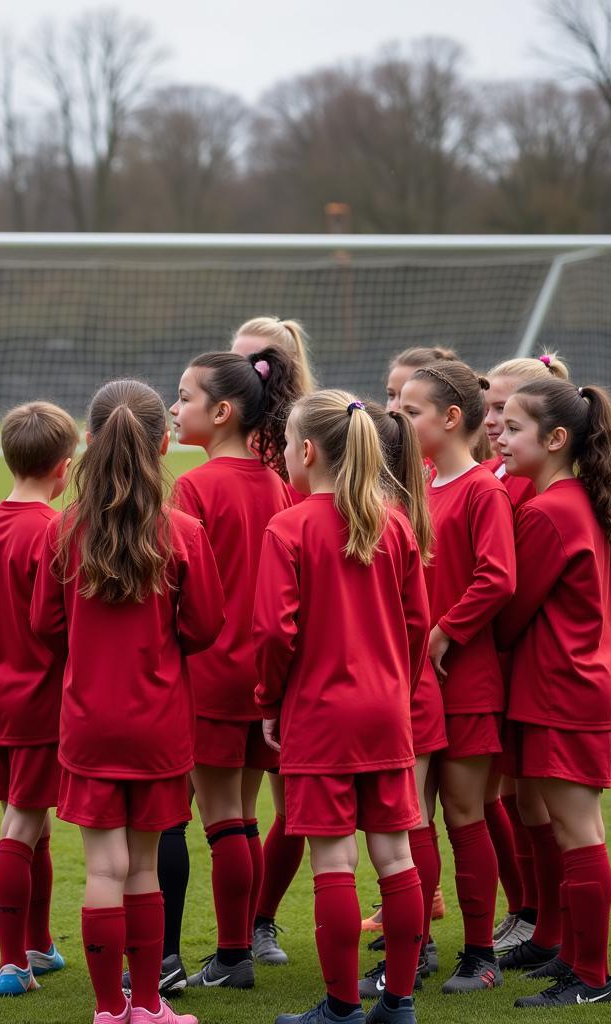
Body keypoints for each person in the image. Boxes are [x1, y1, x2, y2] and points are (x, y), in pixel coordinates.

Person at [31, 379, 225, 1024]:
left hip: (87, 724)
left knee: (103, 870)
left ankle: (109, 1009)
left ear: (88, 440)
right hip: (159, 726)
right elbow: (203, 629)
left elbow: (45, 626)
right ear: (163, 442)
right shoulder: (185, 532)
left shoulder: (65, 530)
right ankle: (147, 1006)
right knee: (143, 869)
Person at [255, 391, 430, 1024]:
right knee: (396, 856)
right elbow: (417, 623)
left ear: (304, 452)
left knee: (334, 860)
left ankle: (341, 1007)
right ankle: (401, 1003)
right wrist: (397, 686)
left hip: (322, 715)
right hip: (385, 711)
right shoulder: (396, 522)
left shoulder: (289, 526)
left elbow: (275, 633)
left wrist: (268, 701)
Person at [495, 379, 611, 1009]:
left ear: (555, 440)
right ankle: (577, 961)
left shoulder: (549, 510)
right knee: (575, 825)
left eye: (514, 426)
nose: (499, 433)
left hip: (566, 690)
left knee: (578, 830)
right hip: (580, 685)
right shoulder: (570, 498)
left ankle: (592, 980)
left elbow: (510, 609)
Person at [167, 348, 301, 991]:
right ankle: (241, 945)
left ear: (221, 412)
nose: (174, 406)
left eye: (185, 396)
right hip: (262, 676)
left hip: (211, 672)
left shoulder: (192, 487)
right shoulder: (276, 482)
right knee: (244, 816)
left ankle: (231, 956)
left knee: (222, 821)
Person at [398, 361, 517, 995]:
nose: (401, 420)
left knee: (465, 813)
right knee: (412, 816)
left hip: (466, 679)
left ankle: (480, 955)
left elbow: (497, 577)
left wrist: (444, 632)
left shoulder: (481, 490)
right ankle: (412, 950)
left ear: (450, 419)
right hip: (415, 683)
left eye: (411, 411)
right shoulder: (417, 482)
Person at [0, 402, 78, 996]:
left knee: (32, 829)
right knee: (22, 825)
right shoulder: (54, 532)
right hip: (40, 704)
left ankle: (39, 943)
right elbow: (57, 626)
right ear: (64, 469)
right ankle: (13, 963)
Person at [229, 317, 316, 966]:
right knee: (231, 800)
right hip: (229, 646)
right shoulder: (227, 449)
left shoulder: (306, 445)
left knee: (291, 797)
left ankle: (260, 922)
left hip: (290, 645)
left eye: (246, 361)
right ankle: (239, 930)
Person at [480, 353, 570, 963]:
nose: (494, 423)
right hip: (508, 658)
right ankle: (530, 913)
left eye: (504, 413)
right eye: (489, 409)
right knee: (509, 793)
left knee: (531, 798)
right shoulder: (501, 472)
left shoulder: (535, 491)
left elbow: (509, 584)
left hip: (525, 661)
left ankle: (547, 923)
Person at [356, 402, 443, 1000]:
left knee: (404, 832)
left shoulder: (380, 518)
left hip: (396, 693)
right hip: (404, 689)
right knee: (407, 829)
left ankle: (415, 955)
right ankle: (410, 946)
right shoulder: (403, 512)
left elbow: (415, 622)